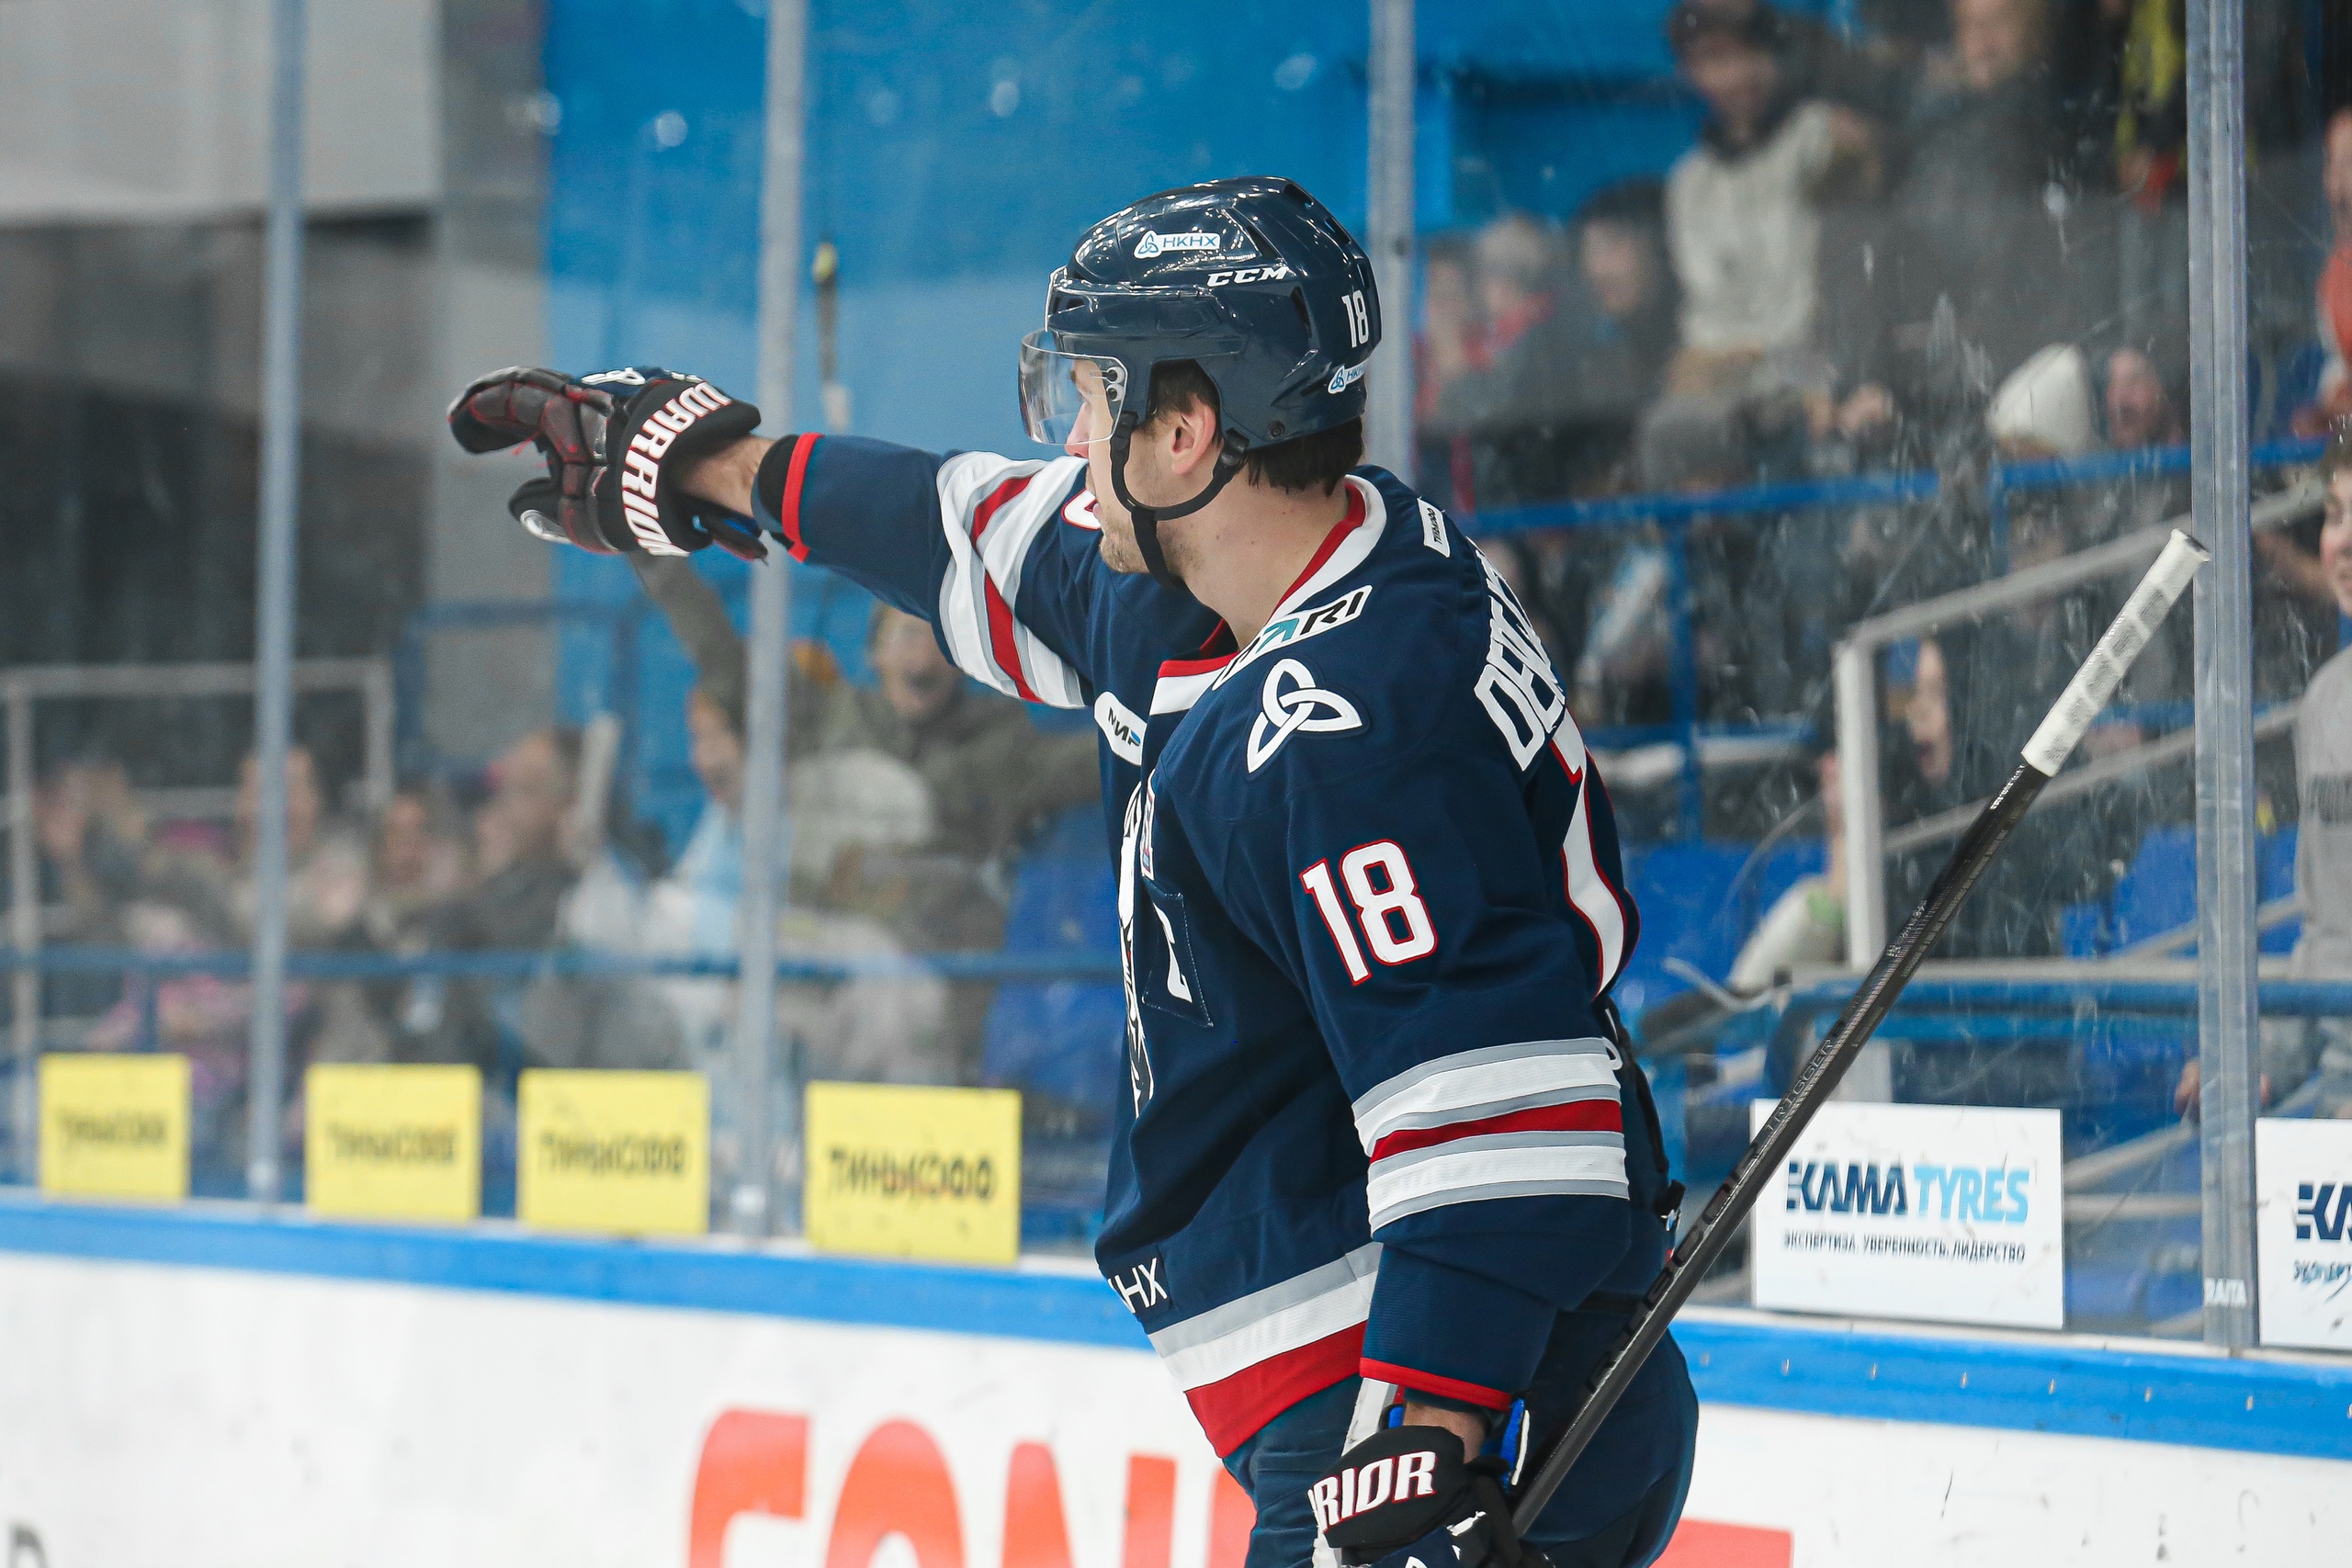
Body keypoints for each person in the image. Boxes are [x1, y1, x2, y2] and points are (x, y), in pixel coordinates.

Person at [450, 177, 1694, 1568]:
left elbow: (1487, 1101)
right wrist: (713, 468)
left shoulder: (1343, 728)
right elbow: (958, 528)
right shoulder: (1243, 571)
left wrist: (1428, 1425)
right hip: (1417, 1355)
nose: (1070, 438)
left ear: (1188, 429)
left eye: (1094, 398)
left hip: (1433, 1388)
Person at [2178, 433, 2352, 1119]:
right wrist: (2258, 1057)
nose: (2344, 541)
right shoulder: (2325, 705)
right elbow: (2329, 937)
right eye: (2335, 515)